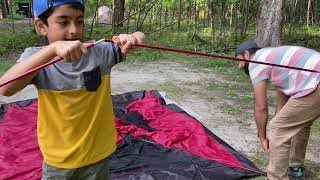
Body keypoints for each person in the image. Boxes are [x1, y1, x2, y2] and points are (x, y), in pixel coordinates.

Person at [0, 0, 145, 179]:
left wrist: (134, 38)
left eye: (79, 21)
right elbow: (6, 88)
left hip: (98, 155)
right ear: (41, 26)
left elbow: (139, 36)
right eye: (63, 22)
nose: (74, 30)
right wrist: (52, 49)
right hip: (58, 160)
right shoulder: (36, 59)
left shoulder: (99, 52)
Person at [235, 41, 320, 180]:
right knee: (300, 122)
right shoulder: (275, 58)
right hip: (314, 82)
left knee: (277, 129)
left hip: (315, 84)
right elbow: (284, 103)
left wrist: (262, 136)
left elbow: (260, 106)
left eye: (239, 61)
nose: (239, 66)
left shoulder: (257, 61)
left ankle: (276, 177)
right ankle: (295, 167)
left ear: (246, 54)